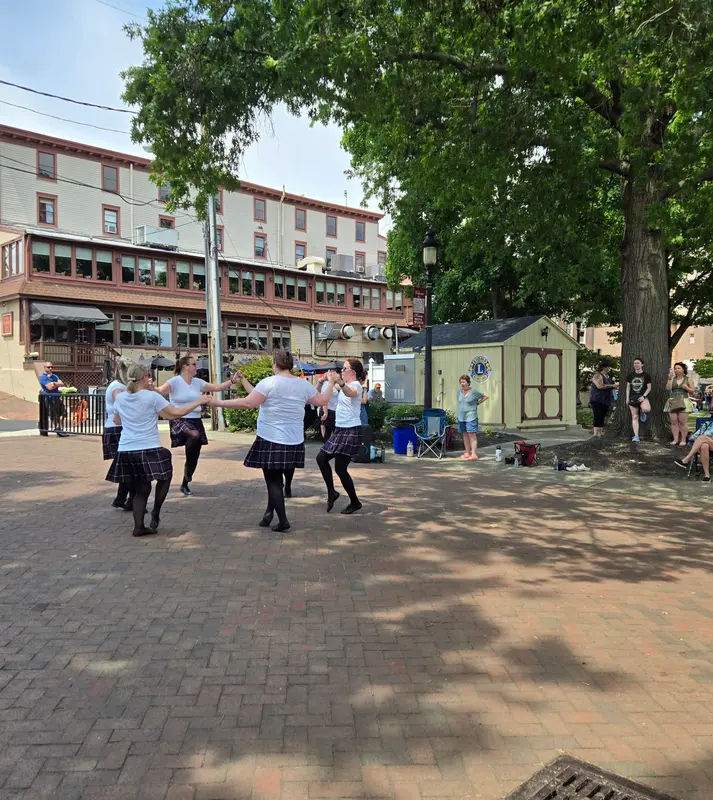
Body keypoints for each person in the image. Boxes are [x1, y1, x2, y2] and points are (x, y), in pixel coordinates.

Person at [208, 351, 335, 532]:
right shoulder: (302, 384)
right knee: (276, 481)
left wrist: (217, 403)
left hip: (271, 438)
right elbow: (322, 400)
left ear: (275, 364)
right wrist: (331, 383)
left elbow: (248, 403)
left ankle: (283, 520)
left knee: (273, 481)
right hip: (294, 440)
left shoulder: (269, 382)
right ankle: (269, 514)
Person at [107, 362, 209, 536]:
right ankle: (156, 511)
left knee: (141, 489)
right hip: (148, 447)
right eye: (149, 375)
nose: (151, 378)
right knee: (165, 475)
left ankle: (139, 527)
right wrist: (200, 401)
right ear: (144, 377)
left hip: (126, 449)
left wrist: (133, 418)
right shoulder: (151, 397)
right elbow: (175, 413)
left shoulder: (121, 398)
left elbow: (117, 421)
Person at [157, 354, 238, 496]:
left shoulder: (197, 382)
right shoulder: (174, 382)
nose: (196, 367)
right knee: (194, 435)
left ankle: (186, 480)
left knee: (194, 455)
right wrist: (145, 387)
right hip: (179, 419)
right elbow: (159, 391)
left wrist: (232, 380)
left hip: (196, 420)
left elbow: (217, 387)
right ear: (185, 367)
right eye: (194, 364)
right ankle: (187, 470)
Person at [316, 358, 366, 514]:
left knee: (339, 468)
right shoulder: (342, 385)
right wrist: (324, 380)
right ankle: (334, 493)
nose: (342, 371)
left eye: (344, 368)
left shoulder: (356, 385)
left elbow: (350, 393)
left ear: (353, 372)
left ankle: (353, 501)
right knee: (324, 460)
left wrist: (340, 382)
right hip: (340, 430)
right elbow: (324, 391)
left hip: (350, 430)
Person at [103, 359, 132, 511]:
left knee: (128, 466)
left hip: (117, 429)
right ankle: (130, 500)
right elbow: (122, 402)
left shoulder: (120, 386)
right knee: (129, 466)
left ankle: (122, 499)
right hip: (116, 429)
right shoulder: (118, 387)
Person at [457, 374, 488, 460]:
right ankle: (467, 453)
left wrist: (477, 403)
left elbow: (485, 397)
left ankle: (474, 454)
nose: (462, 384)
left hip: (471, 417)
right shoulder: (459, 392)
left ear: (468, 383)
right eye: (461, 382)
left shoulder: (473, 392)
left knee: (471, 435)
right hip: (461, 417)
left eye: (464, 382)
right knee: (465, 435)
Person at [665, 362, 696, 447]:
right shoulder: (672, 378)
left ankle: (683, 440)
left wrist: (687, 388)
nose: (676, 370)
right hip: (673, 401)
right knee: (674, 422)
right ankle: (675, 439)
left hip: (684, 401)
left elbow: (692, 392)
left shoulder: (688, 379)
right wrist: (669, 379)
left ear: (683, 370)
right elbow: (668, 388)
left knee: (682, 422)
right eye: (675, 368)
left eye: (678, 368)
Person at [626, 358, 652, 442]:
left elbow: (649, 388)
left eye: (638, 363)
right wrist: (627, 398)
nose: (636, 365)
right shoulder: (630, 375)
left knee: (647, 409)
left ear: (642, 364)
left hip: (642, 397)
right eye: (635, 363)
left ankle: (642, 411)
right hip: (632, 397)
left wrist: (644, 396)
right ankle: (636, 436)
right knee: (634, 416)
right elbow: (628, 387)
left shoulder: (646, 375)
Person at [38, 362, 68, 437]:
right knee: (53, 415)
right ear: (44, 368)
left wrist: (53, 383)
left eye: (51, 367)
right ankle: (57, 428)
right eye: (48, 367)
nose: (50, 368)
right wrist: (56, 384)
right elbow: (49, 387)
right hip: (49, 399)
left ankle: (59, 428)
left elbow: (62, 383)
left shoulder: (54, 376)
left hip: (57, 397)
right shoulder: (43, 377)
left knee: (63, 413)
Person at [589, 361, 618, 437]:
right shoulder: (598, 375)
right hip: (597, 400)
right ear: (604, 367)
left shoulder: (607, 377)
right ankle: (595, 434)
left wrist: (615, 386)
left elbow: (611, 386)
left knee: (602, 417)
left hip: (605, 400)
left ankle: (600, 434)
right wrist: (613, 385)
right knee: (598, 416)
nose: (609, 368)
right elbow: (599, 386)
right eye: (608, 367)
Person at [318, 374, 339, 442]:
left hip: (332, 410)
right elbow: (325, 399)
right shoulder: (327, 384)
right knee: (328, 432)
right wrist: (325, 413)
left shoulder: (332, 384)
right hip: (328, 410)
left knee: (331, 431)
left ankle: (329, 445)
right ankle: (327, 446)